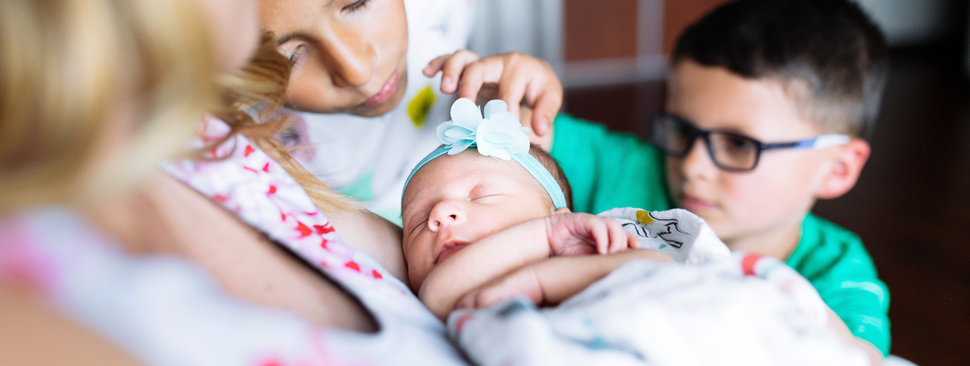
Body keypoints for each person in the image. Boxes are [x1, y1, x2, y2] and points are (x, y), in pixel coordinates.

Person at [0, 0, 468, 364]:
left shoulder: (212, 140)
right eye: (291, 54)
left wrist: (511, 167)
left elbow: (431, 254)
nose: (356, 69)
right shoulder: (36, 297)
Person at [399, 99, 881, 366]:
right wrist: (541, 238)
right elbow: (442, 292)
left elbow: (676, 268)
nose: (441, 216)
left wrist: (555, 255)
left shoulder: (604, 235)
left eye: (480, 197)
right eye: (418, 221)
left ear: (560, 210)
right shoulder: (466, 300)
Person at [549, 0, 892, 358]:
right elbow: (519, 122)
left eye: (739, 144)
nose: (692, 165)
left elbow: (859, 357)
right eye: (682, 130)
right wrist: (513, 86)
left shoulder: (839, 275)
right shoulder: (625, 169)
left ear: (836, 169)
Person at [259, 0, 563, 224]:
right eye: (290, 58)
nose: (358, 72)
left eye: (356, 3)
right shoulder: (248, 146)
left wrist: (511, 105)